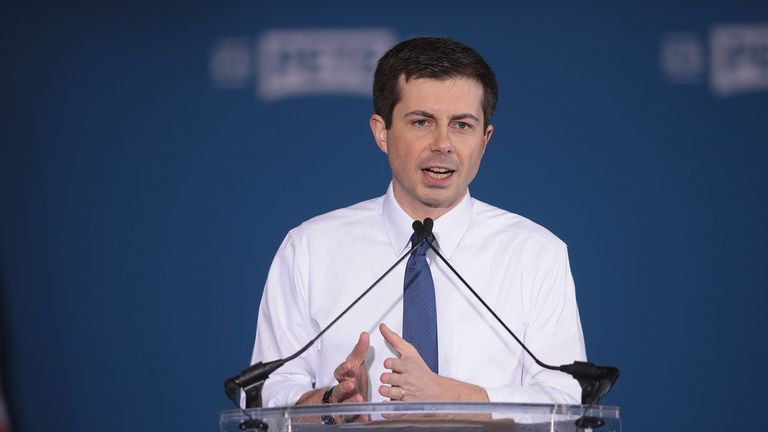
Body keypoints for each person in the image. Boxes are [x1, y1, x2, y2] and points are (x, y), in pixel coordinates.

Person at [250, 37, 586, 408]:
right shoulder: (310, 249)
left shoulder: (536, 254)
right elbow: (266, 391)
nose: (442, 144)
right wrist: (329, 404)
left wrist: (458, 400)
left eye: (462, 125)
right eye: (422, 122)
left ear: (485, 140)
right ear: (382, 132)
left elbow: (565, 399)